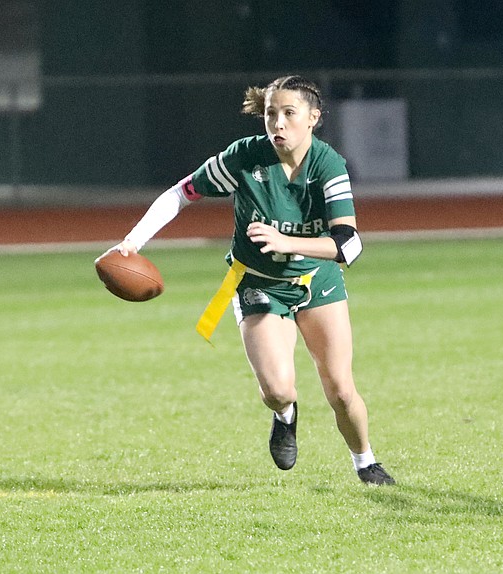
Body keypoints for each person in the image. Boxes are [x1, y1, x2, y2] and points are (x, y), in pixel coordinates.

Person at [100, 75, 395, 485]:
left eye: (289, 113)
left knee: (342, 390)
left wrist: (286, 241)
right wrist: (132, 242)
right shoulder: (245, 157)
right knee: (278, 390)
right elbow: (181, 193)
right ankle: (285, 415)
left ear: (314, 117)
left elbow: (349, 244)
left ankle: (366, 463)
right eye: (271, 113)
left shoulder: (328, 165)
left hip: (317, 281)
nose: (278, 123)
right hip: (259, 283)